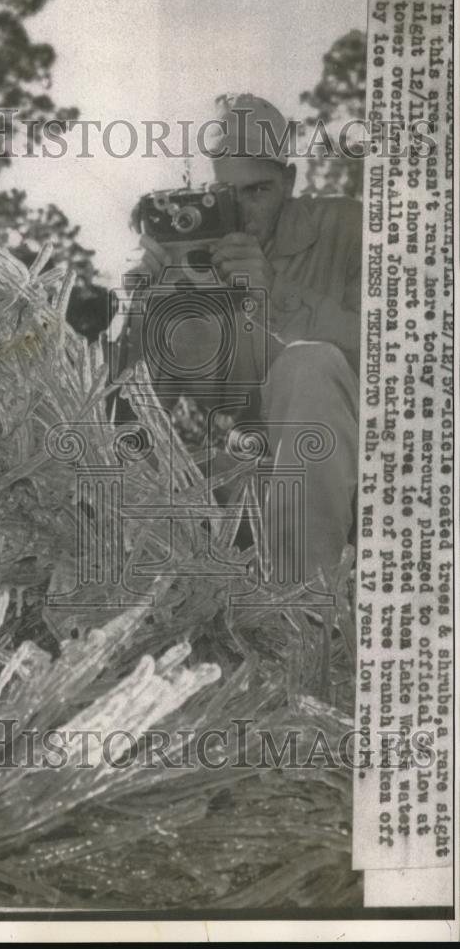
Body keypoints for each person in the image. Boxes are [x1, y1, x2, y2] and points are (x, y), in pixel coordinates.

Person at [115, 93, 362, 587]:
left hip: (355, 464)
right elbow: (129, 411)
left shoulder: (347, 227)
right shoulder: (195, 252)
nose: (242, 214)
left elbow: (405, 357)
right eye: (225, 194)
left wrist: (275, 293)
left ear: (290, 182)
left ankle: (305, 610)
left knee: (307, 366)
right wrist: (145, 314)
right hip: (252, 482)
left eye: (258, 191)